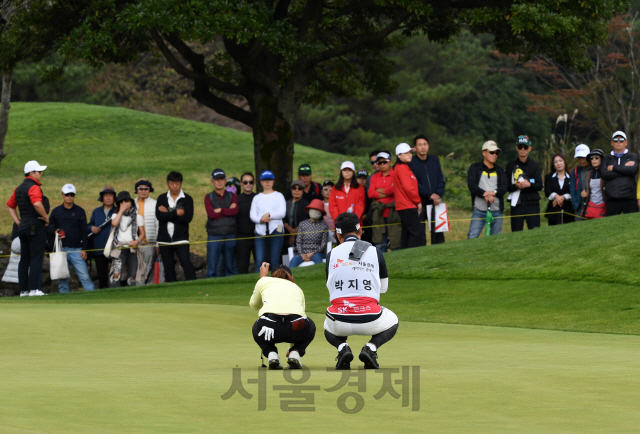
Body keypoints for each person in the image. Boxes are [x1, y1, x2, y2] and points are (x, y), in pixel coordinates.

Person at [324, 212, 398, 370]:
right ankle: (371, 348)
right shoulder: (375, 251)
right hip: (370, 320)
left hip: (339, 320)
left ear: (338, 235)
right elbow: (383, 289)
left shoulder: (331, 255)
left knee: (326, 325)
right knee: (393, 319)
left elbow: (330, 287)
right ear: (360, 231)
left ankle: (342, 347)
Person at [250, 263, 316, 369]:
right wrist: (292, 349)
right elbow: (299, 315)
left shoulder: (264, 281)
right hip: (296, 327)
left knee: (256, 327)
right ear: (291, 277)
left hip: (269, 326)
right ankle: (296, 353)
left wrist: (262, 279)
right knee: (310, 324)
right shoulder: (297, 288)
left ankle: (271, 354)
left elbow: (254, 305)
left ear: (272, 276)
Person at [6, 160, 50, 297]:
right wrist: (46, 217)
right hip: (35, 226)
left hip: (23, 227)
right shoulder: (34, 187)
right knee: (36, 258)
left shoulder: (18, 188)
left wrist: (18, 222)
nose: (41, 174)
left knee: (24, 259)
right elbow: (37, 203)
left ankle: (23, 291)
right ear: (32, 173)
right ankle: (34, 289)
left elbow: (10, 205)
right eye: (39, 171)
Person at [48, 184, 95, 293]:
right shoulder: (56, 211)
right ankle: (65, 303)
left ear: (74, 196)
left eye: (72, 194)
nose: (69, 196)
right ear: (62, 195)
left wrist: (84, 249)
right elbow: (49, 226)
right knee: (62, 280)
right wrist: (55, 231)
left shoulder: (80, 211)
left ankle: (93, 298)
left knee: (85, 277)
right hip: (61, 250)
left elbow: (84, 231)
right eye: (67, 194)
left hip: (77, 250)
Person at [156, 171, 196, 282]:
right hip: (164, 240)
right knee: (168, 267)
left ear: (181, 184)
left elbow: (187, 218)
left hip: (181, 239)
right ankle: (172, 292)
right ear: (168, 184)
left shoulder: (187, 199)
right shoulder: (162, 198)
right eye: (172, 183)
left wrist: (167, 212)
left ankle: (195, 287)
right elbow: (159, 216)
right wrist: (175, 212)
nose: (174, 186)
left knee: (186, 263)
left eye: (177, 183)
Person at [466, 141, 508, 239]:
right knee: (472, 237)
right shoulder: (475, 168)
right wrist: (484, 193)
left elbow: (504, 187)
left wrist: (494, 192)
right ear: (484, 153)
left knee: (495, 241)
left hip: (496, 211)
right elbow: (472, 185)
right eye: (492, 152)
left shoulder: (500, 170)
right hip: (479, 210)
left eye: (496, 153)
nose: (495, 155)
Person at [409, 135, 446, 245]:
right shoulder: (411, 162)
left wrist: (438, 194)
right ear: (415, 147)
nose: (423, 147)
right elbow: (414, 183)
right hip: (420, 202)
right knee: (420, 234)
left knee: (439, 233)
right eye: (420, 145)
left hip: (436, 202)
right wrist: (429, 194)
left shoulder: (434, 160)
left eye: (425, 144)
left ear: (428, 146)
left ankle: (440, 253)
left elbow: (441, 179)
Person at [250, 170, 287, 273]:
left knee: (275, 259)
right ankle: (259, 283)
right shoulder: (257, 198)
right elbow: (252, 215)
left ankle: (274, 282)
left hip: (276, 229)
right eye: (265, 180)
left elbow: (282, 213)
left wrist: (269, 215)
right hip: (260, 231)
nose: (267, 182)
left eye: (269, 180)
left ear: (273, 181)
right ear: (261, 182)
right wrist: (261, 219)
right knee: (260, 260)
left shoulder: (279, 196)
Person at [205, 168, 238, 278]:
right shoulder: (208, 197)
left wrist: (220, 210)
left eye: (221, 179)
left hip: (230, 233)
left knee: (230, 266)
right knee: (212, 268)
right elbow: (211, 215)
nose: (219, 182)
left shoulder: (232, 196)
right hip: (214, 235)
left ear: (225, 181)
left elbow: (235, 211)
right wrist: (227, 210)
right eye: (216, 179)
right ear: (212, 182)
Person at [505, 135, 543, 231]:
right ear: (516, 148)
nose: (523, 149)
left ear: (529, 148)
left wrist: (529, 184)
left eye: (525, 147)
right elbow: (506, 186)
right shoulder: (510, 165)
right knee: (516, 234)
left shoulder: (535, 165)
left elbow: (540, 185)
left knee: (535, 233)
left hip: (532, 204)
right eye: (520, 147)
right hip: (517, 205)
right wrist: (516, 186)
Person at [110, 191, 146, 287]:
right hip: (119, 248)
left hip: (132, 248)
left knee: (132, 275)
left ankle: (131, 295)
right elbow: (114, 224)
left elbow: (142, 233)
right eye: (121, 201)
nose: (125, 203)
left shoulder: (138, 216)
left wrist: (137, 241)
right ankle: (114, 293)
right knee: (116, 274)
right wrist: (121, 211)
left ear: (131, 202)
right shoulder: (115, 215)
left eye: (127, 200)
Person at [369, 151, 400, 251]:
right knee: (380, 244)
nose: (382, 164)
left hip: (394, 212)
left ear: (390, 162)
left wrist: (380, 191)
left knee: (396, 242)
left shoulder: (396, 174)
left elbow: (396, 189)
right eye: (379, 163)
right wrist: (389, 191)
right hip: (379, 213)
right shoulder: (374, 177)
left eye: (384, 162)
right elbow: (370, 193)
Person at [601, 131, 639, 215]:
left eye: (621, 140)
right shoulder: (606, 159)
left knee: (632, 225)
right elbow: (604, 174)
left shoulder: (633, 156)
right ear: (612, 143)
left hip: (629, 198)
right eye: (615, 140)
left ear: (626, 142)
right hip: (611, 198)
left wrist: (614, 168)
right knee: (611, 226)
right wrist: (624, 169)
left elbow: (633, 170)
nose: (618, 142)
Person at [393, 143, 423, 248]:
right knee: (416, 231)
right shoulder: (401, 168)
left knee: (407, 231)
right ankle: (413, 255)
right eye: (406, 153)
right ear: (399, 155)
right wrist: (418, 201)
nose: (409, 155)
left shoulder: (404, 167)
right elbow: (408, 188)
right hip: (407, 204)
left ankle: (405, 253)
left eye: (410, 152)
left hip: (405, 204)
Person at [88, 186, 116, 289]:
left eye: (110, 196)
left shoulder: (118, 211)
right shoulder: (96, 212)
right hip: (99, 249)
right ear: (102, 198)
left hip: (114, 249)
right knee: (102, 277)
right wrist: (91, 228)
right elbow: (88, 225)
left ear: (114, 198)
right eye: (106, 196)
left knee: (116, 276)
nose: (108, 198)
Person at [289, 199, 329, 267]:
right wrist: (302, 255)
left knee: (317, 258)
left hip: (317, 253)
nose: (315, 211)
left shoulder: (324, 226)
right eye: (313, 209)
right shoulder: (302, 224)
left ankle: (320, 277)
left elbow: (323, 244)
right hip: (302, 254)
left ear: (321, 212)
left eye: (318, 210)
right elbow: (298, 241)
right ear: (309, 210)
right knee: (294, 260)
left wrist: (312, 253)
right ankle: (289, 277)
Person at [134, 179, 159, 283]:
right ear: (136, 190)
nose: (143, 191)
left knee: (148, 269)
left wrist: (157, 244)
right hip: (134, 244)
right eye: (140, 189)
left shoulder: (155, 204)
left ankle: (147, 290)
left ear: (149, 190)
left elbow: (158, 225)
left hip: (149, 243)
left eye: (146, 189)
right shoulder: (131, 203)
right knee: (135, 269)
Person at [544, 154, 575, 225]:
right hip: (553, 210)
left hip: (568, 211)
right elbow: (547, 191)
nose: (558, 163)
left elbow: (573, 191)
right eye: (555, 162)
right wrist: (556, 196)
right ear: (553, 164)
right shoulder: (549, 177)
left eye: (560, 161)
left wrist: (563, 197)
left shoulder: (572, 177)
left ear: (564, 162)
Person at [236, 172, 257, 274]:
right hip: (242, 237)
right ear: (241, 184)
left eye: (251, 182)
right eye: (245, 182)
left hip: (257, 236)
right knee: (242, 266)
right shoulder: (237, 199)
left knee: (261, 264)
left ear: (254, 183)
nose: (248, 184)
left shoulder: (258, 198)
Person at [284, 180, 310, 251]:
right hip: (286, 235)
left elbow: (306, 220)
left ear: (303, 190)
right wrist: (290, 230)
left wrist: (294, 233)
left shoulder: (306, 204)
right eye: (294, 188)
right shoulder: (286, 203)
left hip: (302, 236)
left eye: (300, 188)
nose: (297, 190)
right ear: (291, 189)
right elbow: (283, 218)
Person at [582, 149, 606, 219]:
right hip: (591, 206)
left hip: (603, 206)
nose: (594, 160)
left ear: (602, 159)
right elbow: (587, 190)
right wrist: (583, 193)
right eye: (591, 158)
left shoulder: (605, 173)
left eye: (597, 157)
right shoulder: (589, 174)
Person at [570, 144, 591, 221]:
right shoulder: (575, 171)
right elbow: (572, 189)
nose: (582, 160)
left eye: (584, 158)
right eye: (579, 158)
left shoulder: (594, 169)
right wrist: (575, 203)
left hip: (593, 204)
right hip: (579, 205)